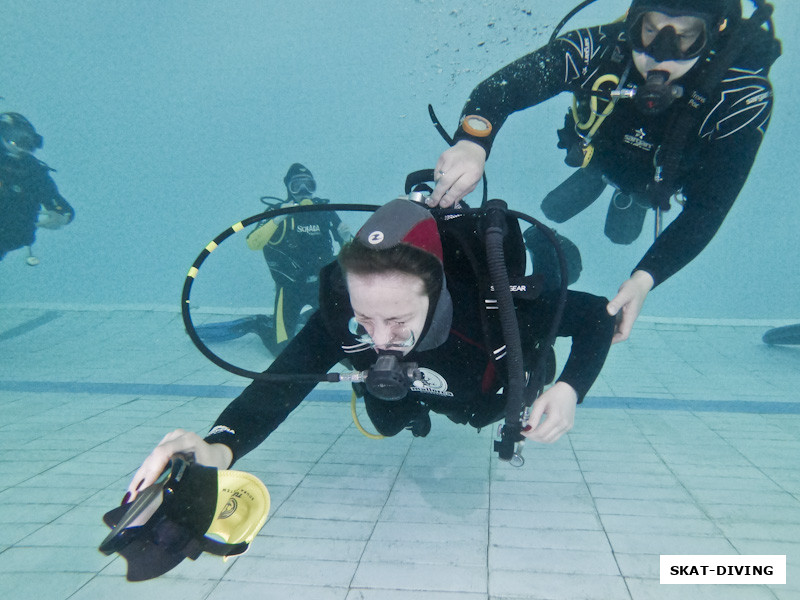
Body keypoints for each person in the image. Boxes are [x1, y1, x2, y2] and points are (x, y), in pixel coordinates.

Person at [124, 197, 615, 501]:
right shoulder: (342, 314)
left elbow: (597, 317)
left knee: (538, 347)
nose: (379, 339)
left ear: (437, 294)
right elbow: (278, 386)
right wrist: (218, 449)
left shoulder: (487, 308)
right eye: (366, 317)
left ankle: (555, 251)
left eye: (399, 320)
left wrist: (572, 388)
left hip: (492, 385)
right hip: (424, 393)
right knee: (386, 416)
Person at [430, 0, 778, 343]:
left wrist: (645, 277)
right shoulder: (596, 49)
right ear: (634, 21)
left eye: (687, 37)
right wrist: (472, 144)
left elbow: (708, 207)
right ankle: (597, 181)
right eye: (651, 29)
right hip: (598, 159)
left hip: (652, 183)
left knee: (622, 235)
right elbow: (502, 89)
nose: (661, 52)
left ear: (716, 32)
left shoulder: (741, 95)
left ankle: (630, 198)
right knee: (554, 208)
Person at [244, 163, 352, 353]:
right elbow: (253, 243)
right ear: (288, 188)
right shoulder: (278, 213)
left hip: (322, 286)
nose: (303, 191)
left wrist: (345, 238)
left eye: (309, 185)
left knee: (343, 340)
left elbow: (350, 252)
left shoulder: (324, 210)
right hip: (289, 289)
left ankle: (309, 317)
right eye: (297, 186)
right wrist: (278, 218)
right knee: (280, 350)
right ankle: (260, 324)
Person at [0, 112, 74, 264]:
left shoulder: (33, 173)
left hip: (7, 238)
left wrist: (61, 217)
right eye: (14, 139)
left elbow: (62, 207)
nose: (21, 148)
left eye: (27, 143)